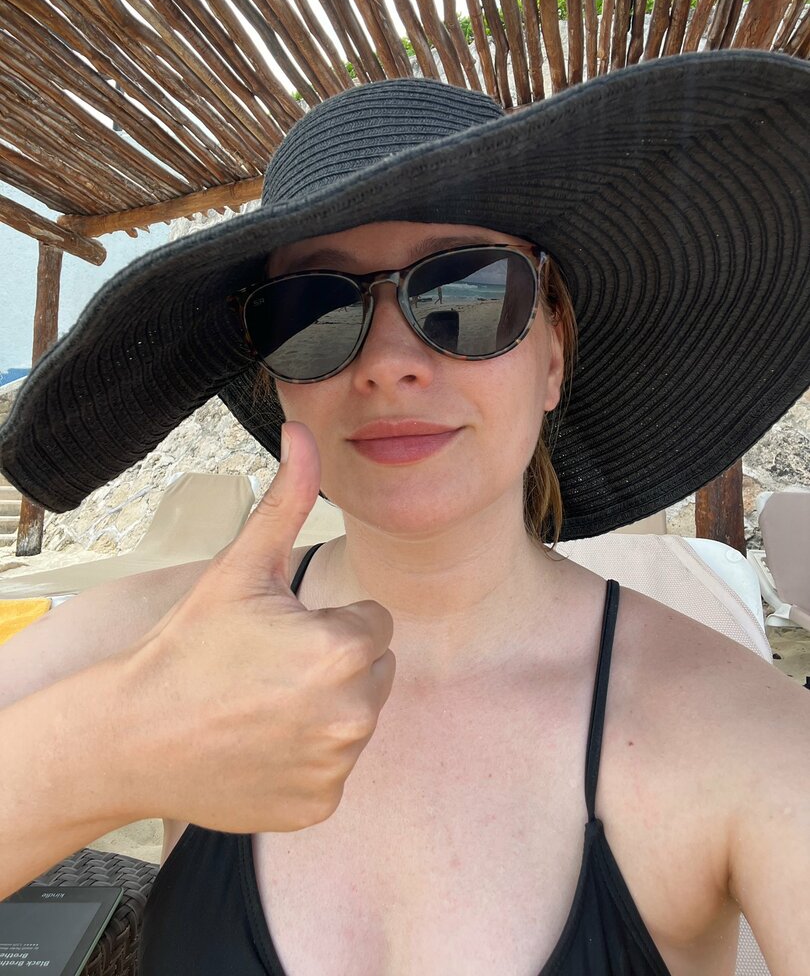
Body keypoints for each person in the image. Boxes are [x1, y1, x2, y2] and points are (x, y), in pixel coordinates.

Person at [1, 54, 809, 975]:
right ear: (277, 380)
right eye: (311, 309)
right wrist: (113, 748)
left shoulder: (740, 733)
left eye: (467, 292)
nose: (388, 364)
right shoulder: (162, 646)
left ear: (551, 358)